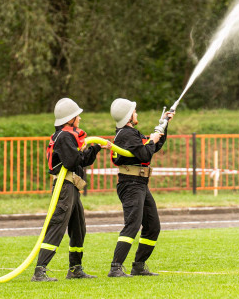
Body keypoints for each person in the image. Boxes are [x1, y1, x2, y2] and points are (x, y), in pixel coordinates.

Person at [31, 98, 108, 282]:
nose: (79, 118)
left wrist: (95, 148)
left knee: (78, 228)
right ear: (69, 119)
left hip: (71, 188)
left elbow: (82, 160)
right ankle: (40, 271)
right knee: (57, 226)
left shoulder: (66, 136)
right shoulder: (65, 137)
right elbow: (72, 161)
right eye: (77, 115)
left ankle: (75, 269)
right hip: (64, 189)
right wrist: (88, 150)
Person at [106, 99, 174, 277]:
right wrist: (152, 140)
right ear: (129, 116)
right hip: (131, 184)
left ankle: (139, 265)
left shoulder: (130, 133)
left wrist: (163, 126)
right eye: (134, 112)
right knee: (133, 224)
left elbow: (152, 148)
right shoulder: (126, 135)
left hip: (140, 183)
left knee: (152, 226)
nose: (137, 114)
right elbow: (145, 153)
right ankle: (115, 267)